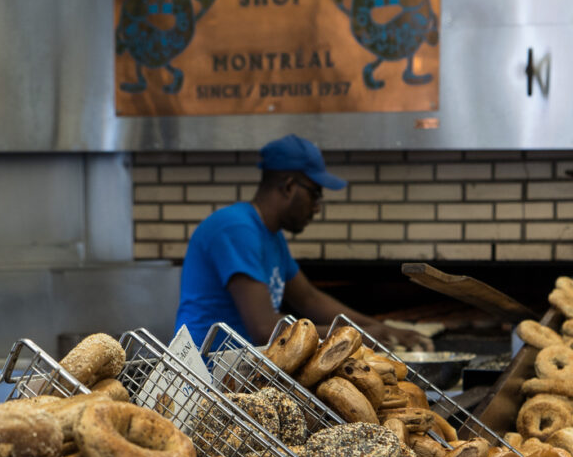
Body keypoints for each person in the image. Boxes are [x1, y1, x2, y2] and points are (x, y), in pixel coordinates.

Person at [175, 134, 434, 352]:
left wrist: (381, 329)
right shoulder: (235, 229)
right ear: (289, 186)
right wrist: (357, 336)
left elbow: (309, 299)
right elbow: (264, 329)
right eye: (315, 194)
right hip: (204, 379)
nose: (316, 208)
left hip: (236, 374)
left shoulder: (271, 235)